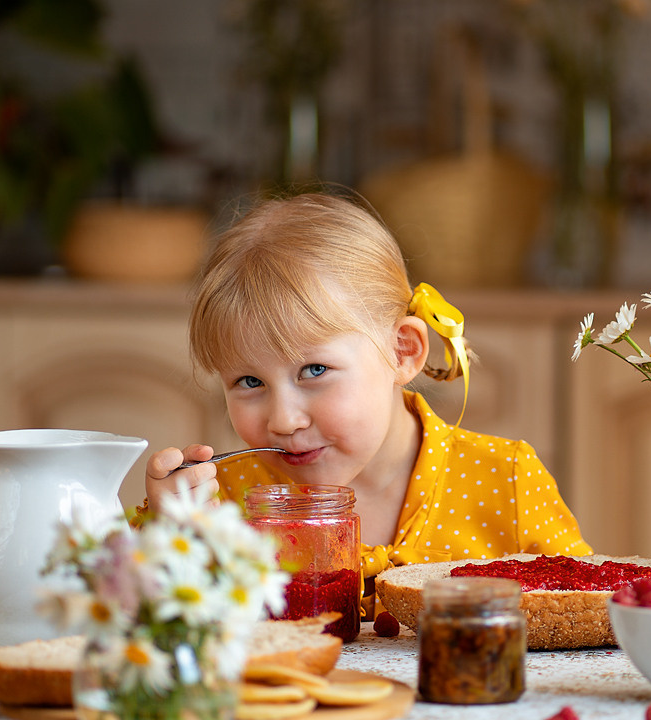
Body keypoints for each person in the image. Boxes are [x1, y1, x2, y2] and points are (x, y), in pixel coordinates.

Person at [140, 189, 592, 612]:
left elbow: (586, 615)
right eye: (249, 381)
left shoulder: (505, 481)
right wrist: (174, 537)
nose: (284, 419)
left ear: (403, 351)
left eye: (314, 370)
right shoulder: (225, 502)